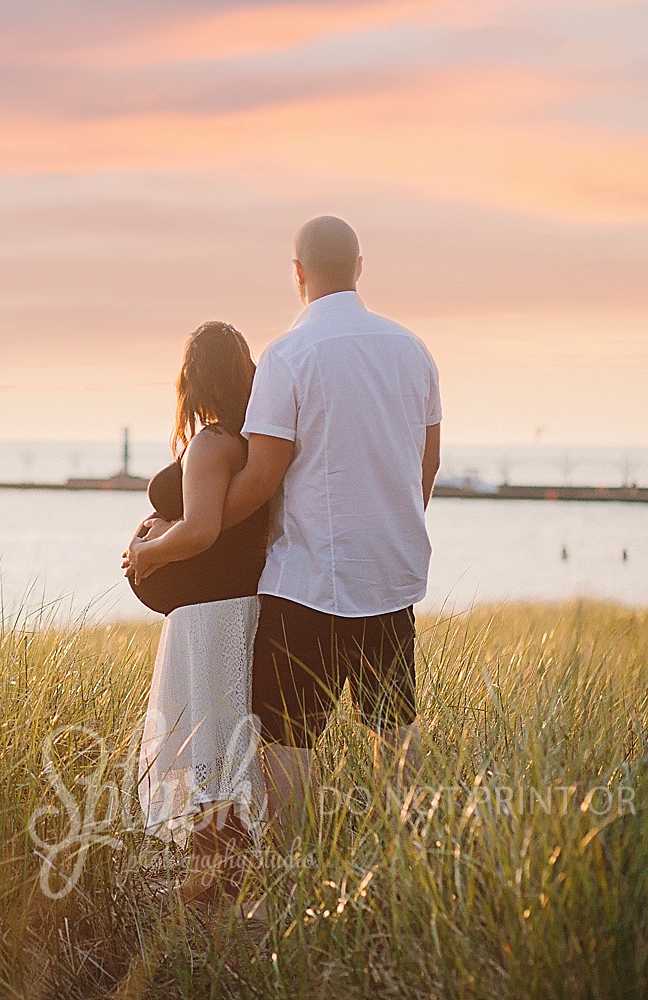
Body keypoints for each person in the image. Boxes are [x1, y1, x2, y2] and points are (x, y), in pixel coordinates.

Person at [134, 216, 442, 849]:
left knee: (288, 734)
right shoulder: (413, 350)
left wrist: (197, 533)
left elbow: (262, 478)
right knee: (394, 727)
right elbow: (426, 466)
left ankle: (294, 863)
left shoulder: (287, 356)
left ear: (298, 274)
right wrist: (387, 529)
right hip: (391, 577)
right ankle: (409, 858)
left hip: (305, 585)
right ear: (360, 266)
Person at [122, 321, 268, 904]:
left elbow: (202, 530)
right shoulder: (250, 441)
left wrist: (145, 553)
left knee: (208, 748)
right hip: (229, 610)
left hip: (210, 618)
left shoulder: (212, 442)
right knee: (222, 745)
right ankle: (224, 875)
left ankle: (210, 880)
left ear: (194, 378)